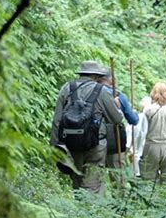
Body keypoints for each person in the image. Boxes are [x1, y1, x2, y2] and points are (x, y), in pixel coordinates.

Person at [50, 61, 123, 195]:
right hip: (96, 145)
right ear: (96, 76)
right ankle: (90, 213)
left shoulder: (67, 88)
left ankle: (79, 212)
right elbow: (117, 119)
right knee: (92, 186)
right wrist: (116, 106)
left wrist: (56, 145)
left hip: (72, 144)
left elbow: (57, 120)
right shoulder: (101, 91)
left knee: (77, 183)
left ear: (81, 73)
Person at [98, 73, 139, 170]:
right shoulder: (117, 95)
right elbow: (133, 120)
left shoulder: (89, 93)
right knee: (117, 172)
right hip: (113, 139)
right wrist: (135, 113)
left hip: (93, 139)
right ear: (111, 80)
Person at [126, 96, 151, 177]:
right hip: (138, 153)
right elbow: (130, 132)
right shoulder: (138, 118)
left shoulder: (140, 117)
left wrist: (128, 147)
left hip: (141, 152)